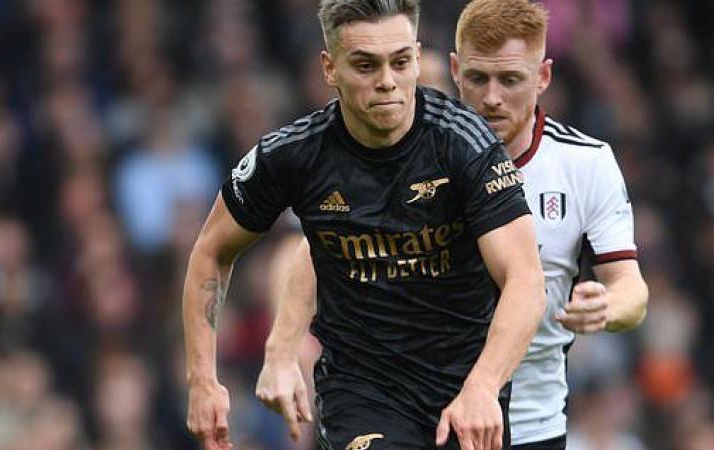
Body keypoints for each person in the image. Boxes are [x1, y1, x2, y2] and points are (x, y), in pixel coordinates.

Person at [259, 1, 649, 449]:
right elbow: (324, 247)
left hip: (531, 420)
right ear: (456, 71)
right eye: (479, 78)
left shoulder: (585, 164)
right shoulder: (417, 154)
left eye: (510, 80)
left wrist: (607, 307)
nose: (492, 97)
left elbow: (632, 292)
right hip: (420, 410)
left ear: (542, 76)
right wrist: (285, 345)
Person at [182, 1, 546, 450]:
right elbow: (212, 250)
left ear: (416, 57)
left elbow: (526, 280)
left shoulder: (465, 145)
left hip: (464, 392)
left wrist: (484, 386)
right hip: (361, 392)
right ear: (329, 68)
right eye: (365, 65)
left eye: (400, 62)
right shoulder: (294, 156)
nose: (387, 81)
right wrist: (203, 380)